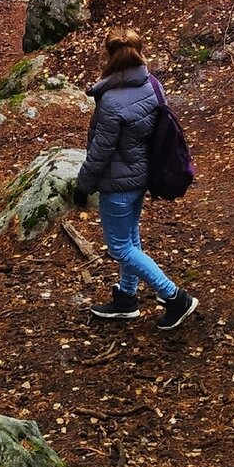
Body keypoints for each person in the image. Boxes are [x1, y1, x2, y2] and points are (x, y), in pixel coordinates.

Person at [72, 28, 198, 331]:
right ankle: (126, 299)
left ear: (109, 57)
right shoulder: (153, 85)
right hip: (141, 177)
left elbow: (100, 152)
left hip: (117, 185)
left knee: (120, 248)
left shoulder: (111, 102)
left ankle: (174, 297)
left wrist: (82, 186)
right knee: (131, 239)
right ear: (139, 53)